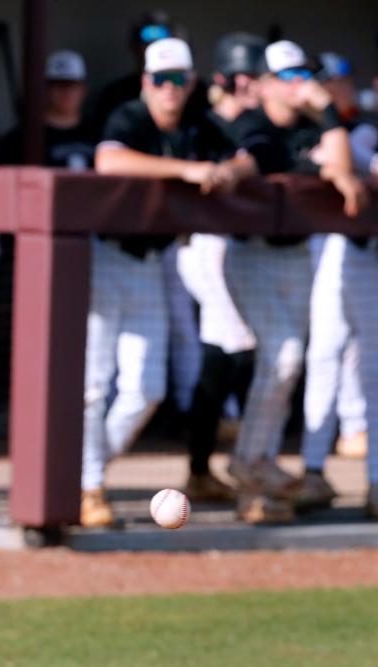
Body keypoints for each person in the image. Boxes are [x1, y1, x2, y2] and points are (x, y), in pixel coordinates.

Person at [86, 38, 259, 527]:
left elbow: (251, 154)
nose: (169, 89)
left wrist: (229, 169)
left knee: (147, 388)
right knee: (94, 385)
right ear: (146, 82)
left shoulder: (199, 126)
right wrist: (188, 171)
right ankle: (87, 484)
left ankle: (85, 470)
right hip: (105, 257)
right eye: (160, 80)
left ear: (192, 83)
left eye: (178, 79)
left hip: (152, 263)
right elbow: (110, 160)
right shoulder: (129, 116)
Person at [224, 40, 369, 522]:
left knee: (285, 365)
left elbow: (343, 167)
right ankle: (249, 462)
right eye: (285, 77)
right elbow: (259, 155)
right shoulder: (249, 121)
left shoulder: (313, 126)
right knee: (283, 356)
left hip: (297, 258)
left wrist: (327, 110)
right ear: (264, 83)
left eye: (301, 75)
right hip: (248, 256)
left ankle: (256, 467)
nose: (296, 84)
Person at [178, 32, 268, 504]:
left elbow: (259, 155)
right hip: (203, 247)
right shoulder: (199, 125)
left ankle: (202, 464)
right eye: (252, 76)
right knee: (234, 345)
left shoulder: (257, 124)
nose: (259, 85)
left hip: (243, 246)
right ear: (228, 80)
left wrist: (234, 170)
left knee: (225, 351)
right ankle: (217, 459)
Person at [299, 51, 378, 515]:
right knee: (324, 355)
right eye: (324, 83)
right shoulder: (333, 131)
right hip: (341, 251)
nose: (333, 90)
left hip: (368, 257)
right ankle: (311, 471)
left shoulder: (363, 128)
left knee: (372, 370)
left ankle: (375, 482)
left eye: (338, 82)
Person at [0, 49, 97, 167]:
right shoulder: (20, 139)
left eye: (72, 85)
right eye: (58, 84)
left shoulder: (100, 134)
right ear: (43, 89)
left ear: (84, 89)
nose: (66, 91)